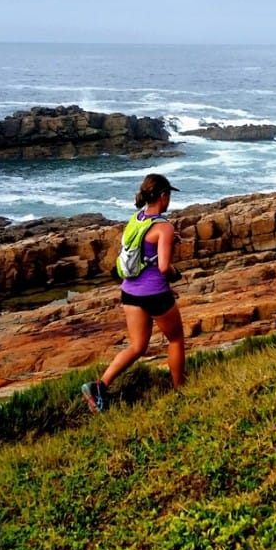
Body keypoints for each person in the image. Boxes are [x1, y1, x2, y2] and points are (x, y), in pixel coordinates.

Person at [82, 174, 185, 413]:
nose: (169, 200)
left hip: (129, 291)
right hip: (155, 293)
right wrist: (175, 273)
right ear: (163, 196)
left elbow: (141, 247)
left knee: (138, 346)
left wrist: (167, 242)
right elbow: (163, 267)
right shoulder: (164, 226)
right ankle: (181, 390)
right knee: (176, 339)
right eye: (168, 196)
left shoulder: (136, 219)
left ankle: (99, 386)